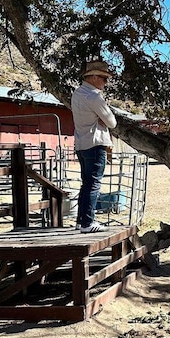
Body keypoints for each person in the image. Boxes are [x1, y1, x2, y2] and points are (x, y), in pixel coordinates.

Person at [71, 59, 117, 233]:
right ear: (94, 77)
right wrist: (102, 119)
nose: (106, 82)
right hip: (96, 143)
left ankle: (81, 219)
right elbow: (112, 122)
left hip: (81, 143)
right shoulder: (94, 97)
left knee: (86, 183)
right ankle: (87, 222)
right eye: (104, 78)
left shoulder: (77, 94)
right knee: (94, 184)